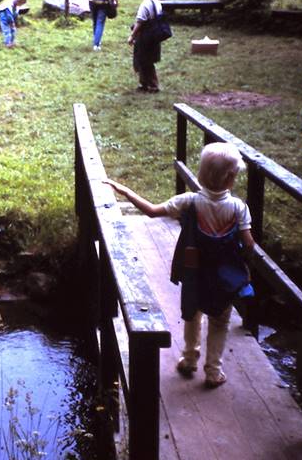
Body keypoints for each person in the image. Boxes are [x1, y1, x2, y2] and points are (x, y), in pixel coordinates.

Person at [103, 142, 256, 388]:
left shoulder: (189, 201)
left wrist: (126, 191)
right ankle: (213, 371)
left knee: (192, 314)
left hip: (195, 273)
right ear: (230, 178)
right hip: (224, 277)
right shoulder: (239, 207)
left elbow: (152, 211)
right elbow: (248, 244)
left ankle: (189, 359)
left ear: (202, 173)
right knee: (219, 321)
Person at [127, 0, 163, 92]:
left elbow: (140, 22)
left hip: (146, 35)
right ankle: (144, 84)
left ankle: (153, 85)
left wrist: (132, 36)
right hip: (155, 34)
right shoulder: (157, 2)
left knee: (144, 60)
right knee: (145, 60)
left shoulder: (145, 4)